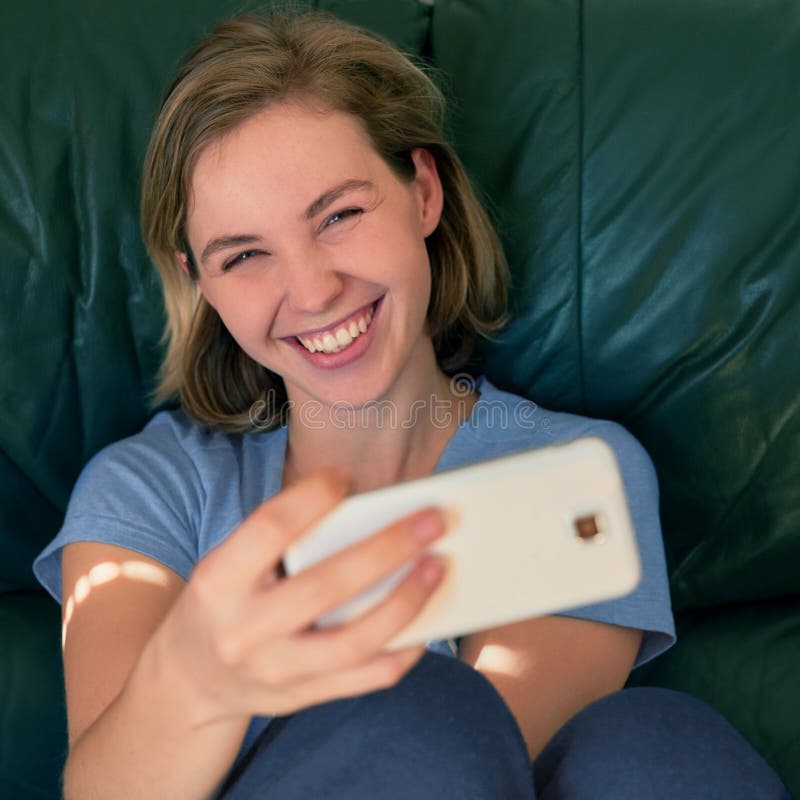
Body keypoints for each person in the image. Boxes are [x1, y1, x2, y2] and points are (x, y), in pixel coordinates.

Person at [33, 10, 789, 800]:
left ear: (422, 193)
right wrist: (194, 681)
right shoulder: (152, 491)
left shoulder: (572, 478)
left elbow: (486, 762)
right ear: (201, 282)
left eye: (340, 216)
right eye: (245, 255)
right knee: (420, 710)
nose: (315, 291)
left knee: (659, 745)